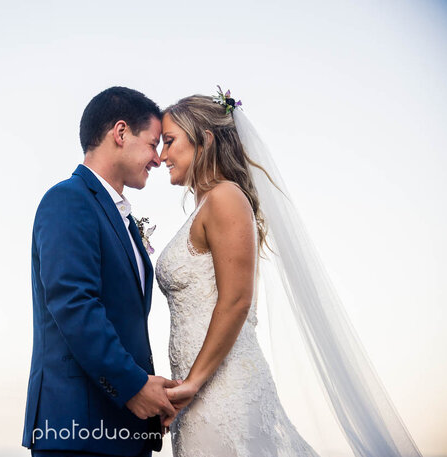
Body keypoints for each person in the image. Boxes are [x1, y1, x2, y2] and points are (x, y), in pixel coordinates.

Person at [156, 89, 423, 457]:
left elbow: (236, 300)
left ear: (204, 139)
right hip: (197, 393)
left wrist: (194, 382)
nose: (161, 155)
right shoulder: (206, 204)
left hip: (220, 388)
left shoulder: (225, 197)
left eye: (169, 141)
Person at [22, 86, 178, 457]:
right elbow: (74, 304)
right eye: (153, 143)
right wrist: (134, 387)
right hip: (79, 430)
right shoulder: (68, 199)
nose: (158, 159)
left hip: (124, 431)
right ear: (120, 133)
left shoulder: (119, 216)